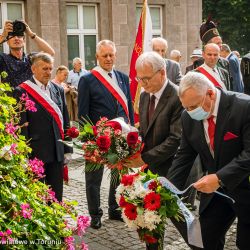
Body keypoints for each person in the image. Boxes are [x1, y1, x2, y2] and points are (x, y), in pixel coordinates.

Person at [167, 72, 250, 250]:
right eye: (186, 107)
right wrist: (167, 189)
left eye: (193, 106)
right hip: (216, 195)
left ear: (210, 94)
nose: (189, 112)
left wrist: (219, 178)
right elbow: (184, 156)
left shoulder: (244, 107)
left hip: (245, 188)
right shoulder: (187, 117)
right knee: (203, 240)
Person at [124, 51, 183, 249]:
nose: (143, 83)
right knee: (150, 221)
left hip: (173, 170)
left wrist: (144, 158)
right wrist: (129, 142)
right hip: (151, 168)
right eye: (139, 78)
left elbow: (175, 139)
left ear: (163, 72)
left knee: (182, 221)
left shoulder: (177, 96)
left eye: (147, 78)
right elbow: (144, 128)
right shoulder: (144, 94)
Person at [78, 40, 134, 229]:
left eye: (111, 55)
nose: (109, 58)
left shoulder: (123, 78)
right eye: (105, 55)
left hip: (121, 136)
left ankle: (114, 208)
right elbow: (83, 113)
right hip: (97, 137)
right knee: (93, 178)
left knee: (118, 175)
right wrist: (88, 139)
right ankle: (95, 214)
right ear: (97, 57)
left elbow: (129, 107)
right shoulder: (87, 80)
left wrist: (131, 129)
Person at [13, 52, 72, 202]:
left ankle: (56, 224)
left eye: (50, 68)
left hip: (57, 152)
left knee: (56, 196)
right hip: (36, 153)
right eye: (44, 68)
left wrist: (68, 149)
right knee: (36, 198)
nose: (48, 72)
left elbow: (65, 120)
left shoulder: (57, 90)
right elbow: (21, 126)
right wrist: (24, 155)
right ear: (34, 69)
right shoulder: (22, 91)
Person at [0, 20, 55, 88]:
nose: (16, 38)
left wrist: (31, 34)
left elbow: (50, 52)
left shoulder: (31, 58)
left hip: (30, 97)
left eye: (19, 36)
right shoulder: (3, 58)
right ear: (7, 42)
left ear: (24, 41)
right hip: (11, 98)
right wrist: (2, 36)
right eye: (12, 36)